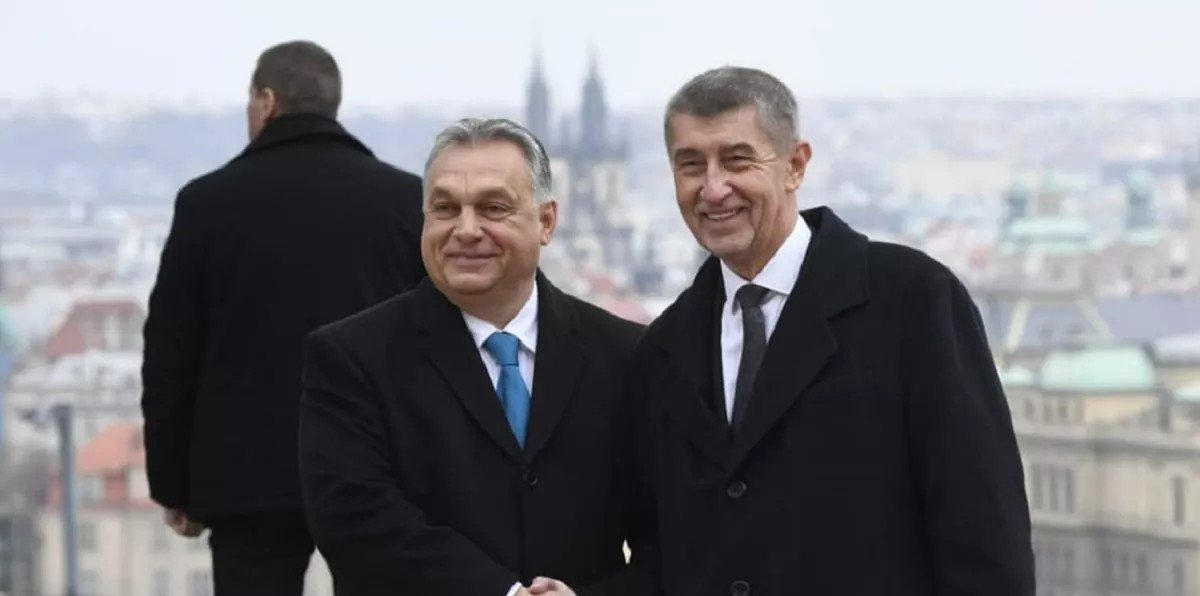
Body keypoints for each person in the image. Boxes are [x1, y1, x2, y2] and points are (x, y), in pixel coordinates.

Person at [631, 66, 1035, 595]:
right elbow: (664, 557)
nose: (713, 188)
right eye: (690, 166)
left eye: (737, 160)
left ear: (795, 166)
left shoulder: (913, 301)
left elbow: (985, 536)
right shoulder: (665, 347)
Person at [297, 117, 656, 596]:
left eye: (492, 208)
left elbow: (672, 534)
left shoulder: (626, 354)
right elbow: (357, 523)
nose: (466, 230)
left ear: (546, 221)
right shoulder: (352, 358)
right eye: (445, 208)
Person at [140, 40, 426, 595]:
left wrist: (173, 484)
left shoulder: (206, 203)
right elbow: (432, 343)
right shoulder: (403, 200)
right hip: (375, 467)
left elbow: (171, 354)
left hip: (247, 477)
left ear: (266, 101)